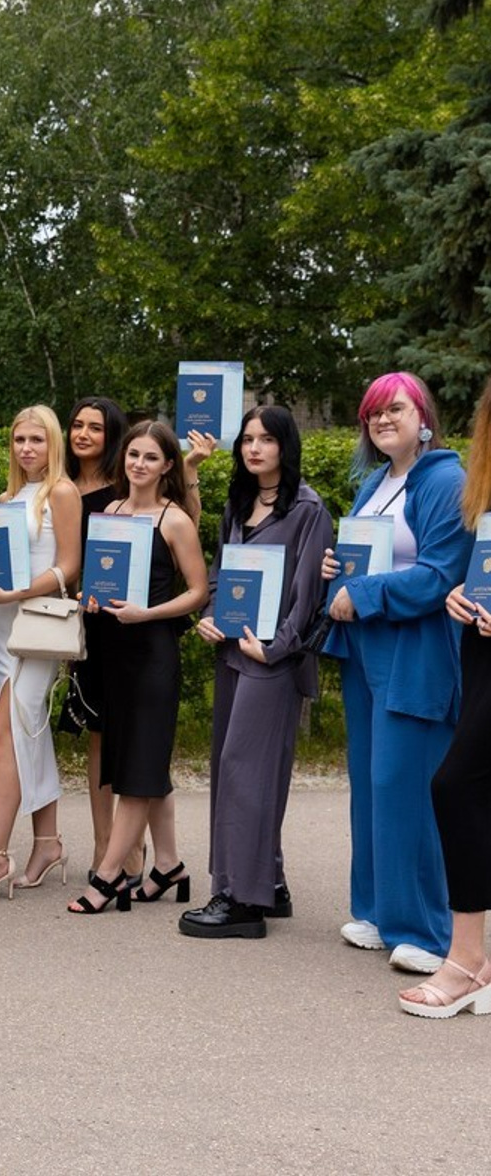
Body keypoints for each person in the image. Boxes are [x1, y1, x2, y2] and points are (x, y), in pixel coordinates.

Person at [322, 372, 470, 974]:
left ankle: (428, 933)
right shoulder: (375, 484)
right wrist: (339, 566)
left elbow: (441, 574)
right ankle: (381, 912)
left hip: (417, 649)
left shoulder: (446, 481)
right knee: (369, 782)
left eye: (395, 409)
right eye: (373, 413)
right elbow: (363, 561)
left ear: (422, 415)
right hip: (367, 649)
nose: (383, 420)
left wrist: (364, 593)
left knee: (405, 785)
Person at [180, 407, 333, 938]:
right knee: (231, 768)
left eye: (266, 439)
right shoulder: (238, 503)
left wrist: (277, 648)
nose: (254, 448)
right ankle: (268, 883)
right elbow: (221, 573)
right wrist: (210, 617)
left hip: (274, 660)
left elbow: (308, 595)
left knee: (246, 767)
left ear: (284, 445)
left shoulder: (309, 509)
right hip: (233, 651)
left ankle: (241, 902)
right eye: (247, 439)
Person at [70, 421, 209, 914]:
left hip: (152, 651)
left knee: (137, 771)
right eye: (133, 455)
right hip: (113, 652)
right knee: (145, 763)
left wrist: (147, 613)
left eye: (151, 458)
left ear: (168, 465)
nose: (139, 465)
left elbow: (198, 592)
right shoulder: (109, 510)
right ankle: (169, 866)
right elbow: (100, 576)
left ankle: (110, 875)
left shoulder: (175, 521)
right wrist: (90, 600)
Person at [0, 406, 81, 902]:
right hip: (4, 628)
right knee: (30, 731)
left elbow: (69, 566)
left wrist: (16, 591)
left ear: (53, 444)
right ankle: (47, 843)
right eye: (18, 439)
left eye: (37, 439)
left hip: (37, 627)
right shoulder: (8, 498)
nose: (26, 448)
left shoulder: (62, 492)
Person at [406, 377, 491, 1015]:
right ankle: (477, 961)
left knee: (453, 784)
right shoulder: (481, 493)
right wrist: (460, 596)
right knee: (469, 789)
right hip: (482, 650)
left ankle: (465, 961)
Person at [59, 396, 136, 880]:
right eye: (77, 425)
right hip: (83, 622)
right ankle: (103, 845)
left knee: (134, 739)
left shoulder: (126, 488)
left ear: (113, 436)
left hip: (129, 622)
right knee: (99, 737)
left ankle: (134, 851)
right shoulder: (59, 487)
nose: (83, 434)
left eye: (95, 427)